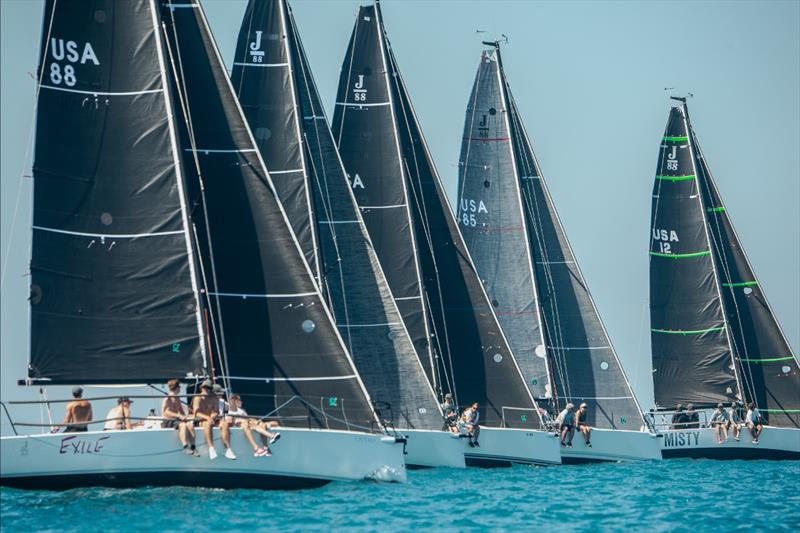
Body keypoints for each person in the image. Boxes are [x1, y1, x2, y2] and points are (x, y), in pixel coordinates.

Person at [192, 379, 235, 460]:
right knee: (207, 424)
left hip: (213, 420)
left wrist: (213, 416)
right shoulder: (197, 398)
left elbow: (216, 411)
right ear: (202, 388)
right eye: (205, 387)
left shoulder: (214, 397)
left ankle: (227, 449)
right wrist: (208, 417)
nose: (207, 389)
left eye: (209, 388)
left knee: (225, 424)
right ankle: (211, 448)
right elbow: (196, 413)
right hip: (202, 421)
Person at [162, 379, 198, 456]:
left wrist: (188, 417)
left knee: (190, 424)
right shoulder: (168, 398)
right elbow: (166, 412)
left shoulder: (177, 398)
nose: (180, 388)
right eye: (179, 386)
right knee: (183, 425)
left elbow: (181, 411)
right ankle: (185, 447)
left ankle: (193, 447)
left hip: (176, 420)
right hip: (168, 420)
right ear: (177, 387)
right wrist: (179, 416)